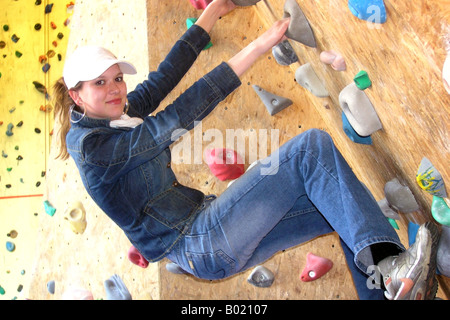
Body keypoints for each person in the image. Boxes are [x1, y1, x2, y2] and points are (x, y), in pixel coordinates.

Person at [53, 0, 439, 300]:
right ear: (76, 96)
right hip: (201, 241)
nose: (115, 88)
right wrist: (258, 46)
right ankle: (389, 267)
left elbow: (165, 75)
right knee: (310, 149)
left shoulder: (113, 116)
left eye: (117, 78)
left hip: (206, 239)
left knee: (336, 205)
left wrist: (216, 10)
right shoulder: (92, 147)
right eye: (100, 83)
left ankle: (389, 284)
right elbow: (175, 117)